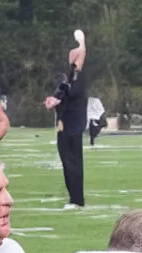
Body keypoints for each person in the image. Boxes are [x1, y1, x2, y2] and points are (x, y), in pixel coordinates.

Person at [44, 30, 88, 209]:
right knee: (66, 160)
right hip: (65, 123)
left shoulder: (79, 77)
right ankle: (74, 198)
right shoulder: (67, 77)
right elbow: (61, 90)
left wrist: (82, 43)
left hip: (73, 123)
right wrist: (54, 99)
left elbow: (71, 91)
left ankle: (77, 200)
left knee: (72, 161)